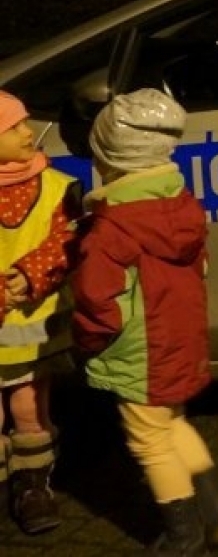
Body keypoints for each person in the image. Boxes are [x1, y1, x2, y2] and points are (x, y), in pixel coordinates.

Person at [71, 88, 218, 554]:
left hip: (139, 353)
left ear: (110, 160)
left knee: (149, 441)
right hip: (179, 338)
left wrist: (87, 343)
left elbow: (95, 301)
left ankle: (183, 535)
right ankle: (216, 512)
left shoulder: (110, 231)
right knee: (173, 423)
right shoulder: (182, 206)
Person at [0, 91, 82, 535]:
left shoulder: (55, 186)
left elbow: (65, 241)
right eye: (12, 128)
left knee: (29, 407)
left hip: (31, 328)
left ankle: (32, 486)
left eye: (24, 123)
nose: (27, 132)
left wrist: (33, 273)